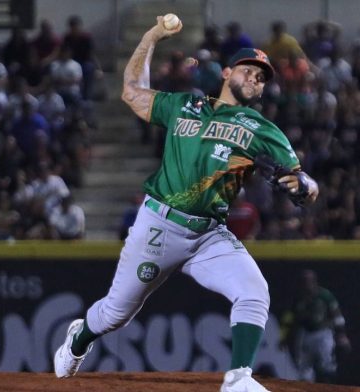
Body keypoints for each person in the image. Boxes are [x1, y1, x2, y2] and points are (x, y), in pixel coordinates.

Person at [53, 16, 319, 392]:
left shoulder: (262, 130)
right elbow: (131, 92)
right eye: (248, 71)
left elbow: (304, 183)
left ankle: (238, 378)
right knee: (115, 315)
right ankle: (79, 338)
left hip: (210, 234)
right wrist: (151, 36)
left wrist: (304, 185)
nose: (255, 79)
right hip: (160, 225)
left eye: (261, 78)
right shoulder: (188, 105)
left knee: (254, 291)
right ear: (228, 72)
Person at [279, 269, 351, 383]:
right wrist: (283, 338)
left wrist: (342, 335)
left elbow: (337, 315)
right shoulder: (298, 298)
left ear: (315, 281)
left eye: (309, 281)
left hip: (323, 333)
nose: (307, 284)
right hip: (305, 334)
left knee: (327, 365)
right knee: (304, 368)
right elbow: (288, 319)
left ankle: (329, 388)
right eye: (304, 282)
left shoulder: (325, 296)